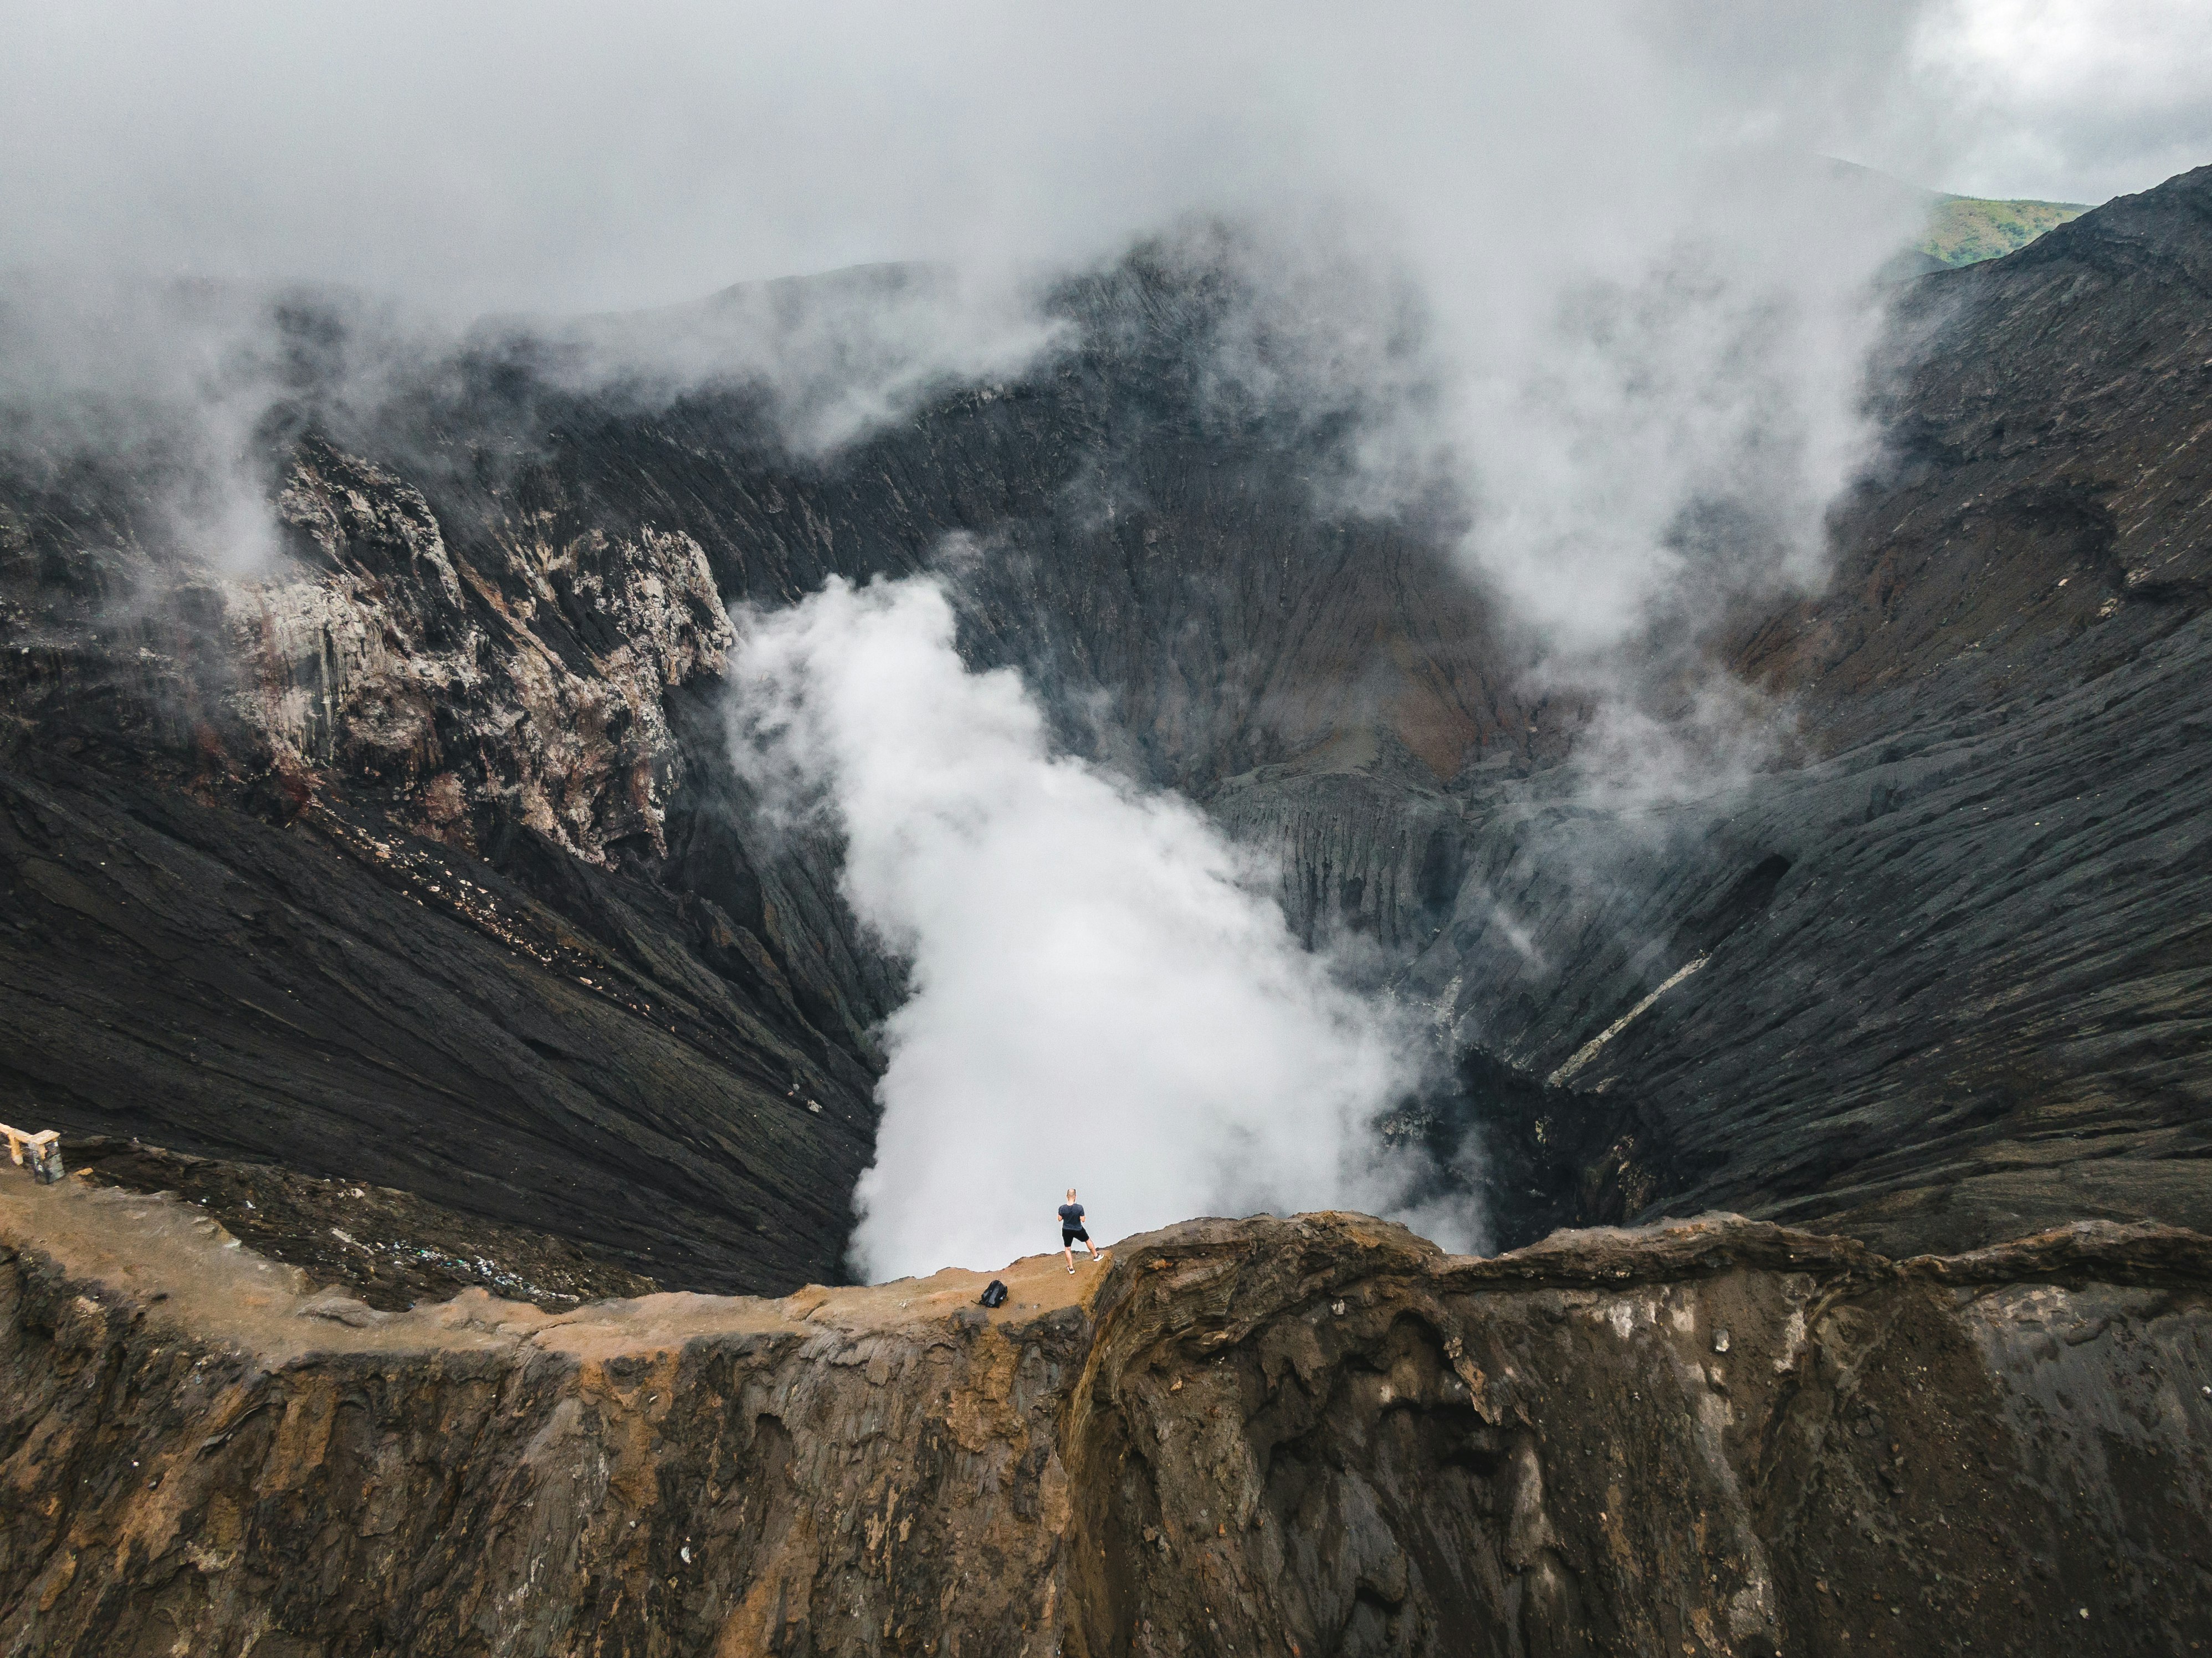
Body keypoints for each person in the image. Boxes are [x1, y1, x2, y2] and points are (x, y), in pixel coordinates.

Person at [1059, 1188, 1102, 1272]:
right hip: (1078, 1229)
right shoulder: (1079, 1208)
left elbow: (1059, 1219)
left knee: (1068, 1248)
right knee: (1087, 1240)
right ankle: (1096, 1256)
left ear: (1067, 1196)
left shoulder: (1062, 1208)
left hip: (1066, 1230)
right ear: (1075, 1196)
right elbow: (1083, 1220)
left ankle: (1071, 1268)